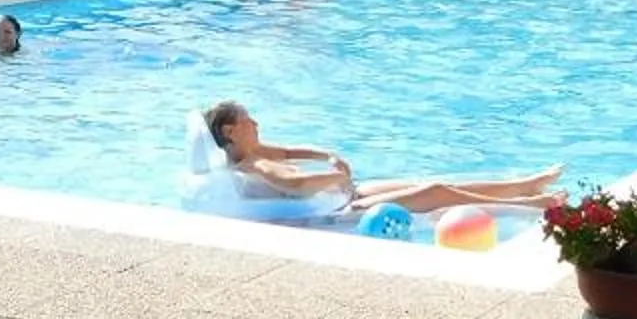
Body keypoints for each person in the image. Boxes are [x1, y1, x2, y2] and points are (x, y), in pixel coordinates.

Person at [201, 99, 559, 215]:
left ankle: (524, 185)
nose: (257, 124)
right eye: (249, 121)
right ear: (230, 132)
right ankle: (532, 206)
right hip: (341, 211)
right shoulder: (252, 164)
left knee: (432, 184)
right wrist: (336, 178)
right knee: (435, 191)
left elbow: (290, 153)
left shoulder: (257, 151)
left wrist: (327, 155)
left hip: (345, 194)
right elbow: (295, 185)